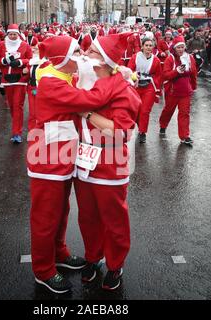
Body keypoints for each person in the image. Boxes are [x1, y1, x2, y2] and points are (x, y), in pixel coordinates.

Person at [27, 35, 129, 294]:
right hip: (47, 160)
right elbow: (91, 100)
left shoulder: (62, 76)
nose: (81, 57)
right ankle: (43, 270)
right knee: (45, 218)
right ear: (62, 59)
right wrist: (118, 77)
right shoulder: (52, 83)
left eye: (85, 52)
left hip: (63, 159)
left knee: (60, 213)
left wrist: (121, 70)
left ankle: (59, 253)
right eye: (76, 54)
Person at [74, 33, 141, 290]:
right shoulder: (85, 81)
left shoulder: (123, 90)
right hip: (84, 158)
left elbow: (122, 132)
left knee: (114, 219)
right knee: (88, 217)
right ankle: (93, 257)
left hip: (111, 160)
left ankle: (115, 264)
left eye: (90, 52)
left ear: (102, 61)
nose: (84, 54)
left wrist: (87, 113)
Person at [0, 24, 32, 144]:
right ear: (7, 34)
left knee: (17, 105)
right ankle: (16, 125)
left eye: (14, 34)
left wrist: (20, 62)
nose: (12, 36)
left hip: (20, 80)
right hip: (6, 80)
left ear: (18, 34)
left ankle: (17, 133)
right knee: (11, 106)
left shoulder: (24, 45)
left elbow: (30, 59)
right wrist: (3, 61)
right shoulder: (1, 45)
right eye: (10, 34)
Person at [158, 36, 197, 145]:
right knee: (168, 111)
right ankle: (163, 125)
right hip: (172, 91)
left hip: (185, 91)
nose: (180, 49)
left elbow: (193, 73)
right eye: (178, 47)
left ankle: (185, 136)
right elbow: (165, 75)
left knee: (184, 114)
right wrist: (176, 71)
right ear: (174, 48)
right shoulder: (170, 59)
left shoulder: (190, 58)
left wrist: (193, 87)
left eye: (182, 47)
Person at [128, 37, 162, 143]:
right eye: (146, 45)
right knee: (135, 110)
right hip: (136, 86)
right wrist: (134, 77)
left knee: (145, 111)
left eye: (150, 45)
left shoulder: (156, 60)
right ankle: (138, 125)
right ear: (142, 46)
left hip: (149, 87)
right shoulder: (135, 57)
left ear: (153, 47)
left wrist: (157, 90)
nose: (148, 47)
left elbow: (158, 75)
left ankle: (143, 132)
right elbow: (129, 70)